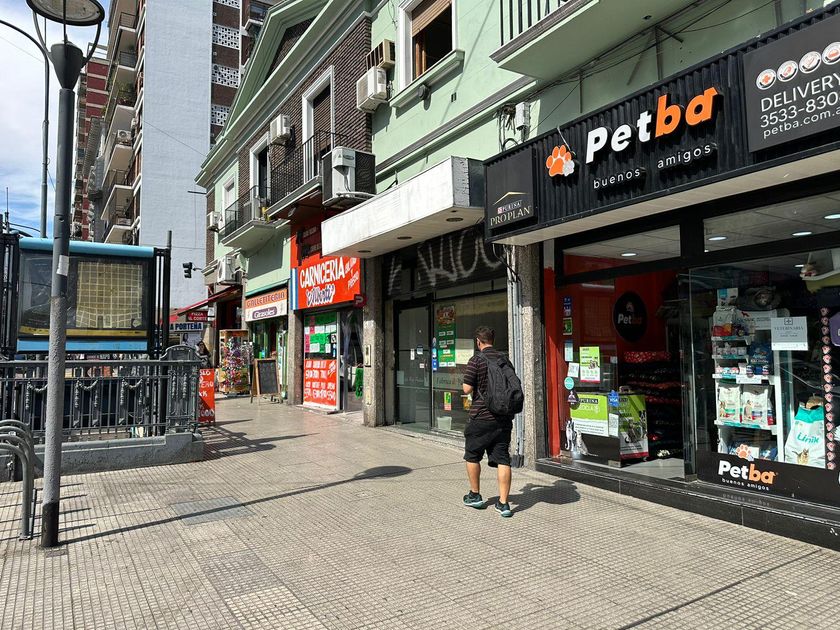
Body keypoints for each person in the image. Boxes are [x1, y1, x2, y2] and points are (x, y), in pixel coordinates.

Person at [462, 326, 513, 517]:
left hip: (481, 417)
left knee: (472, 455)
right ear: (493, 340)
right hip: (503, 418)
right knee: (503, 459)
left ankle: (475, 495)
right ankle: (504, 504)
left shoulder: (476, 360)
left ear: (478, 341)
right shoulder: (504, 360)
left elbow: (466, 388)